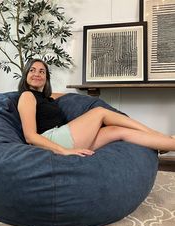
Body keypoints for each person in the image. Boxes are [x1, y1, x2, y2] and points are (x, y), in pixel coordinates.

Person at [17, 58, 175, 157]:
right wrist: (63, 151)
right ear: (26, 75)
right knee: (100, 112)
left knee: (117, 131)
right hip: (52, 141)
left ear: (46, 78)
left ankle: (166, 143)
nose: (37, 74)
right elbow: (30, 136)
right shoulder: (27, 96)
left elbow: (69, 95)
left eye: (42, 71)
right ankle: (156, 133)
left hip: (66, 138)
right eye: (32, 70)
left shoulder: (47, 97)